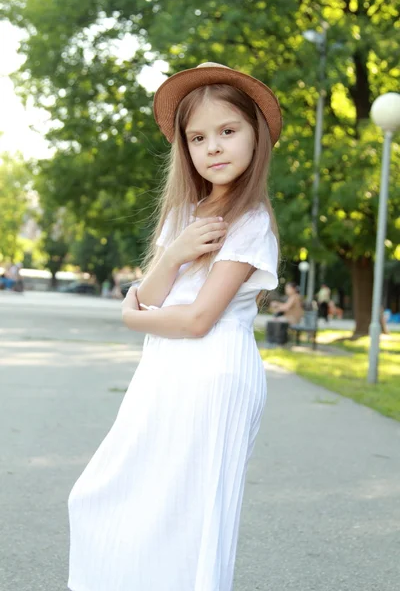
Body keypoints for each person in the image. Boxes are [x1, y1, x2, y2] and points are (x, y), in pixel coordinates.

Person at [68, 62, 282, 591]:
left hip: (213, 373)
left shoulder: (252, 223)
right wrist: (176, 253)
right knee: (108, 492)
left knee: (190, 513)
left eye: (228, 131)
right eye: (198, 137)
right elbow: (156, 291)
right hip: (163, 370)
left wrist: (130, 313)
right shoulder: (183, 215)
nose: (213, 147)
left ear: (256, 135)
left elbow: (197, 319)